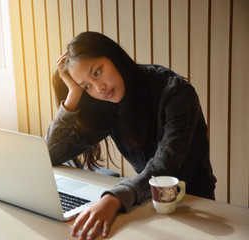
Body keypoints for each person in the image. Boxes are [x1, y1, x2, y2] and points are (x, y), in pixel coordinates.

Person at [45, 31, 216, 240]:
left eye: (97, 72)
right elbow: (51, 155)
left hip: (193, 203)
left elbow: (166, 166)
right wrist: (73, 96)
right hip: (144, 201)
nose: (99, 88)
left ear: (113, 56)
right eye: (87, 86)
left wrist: (112, 200)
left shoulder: (175, 93)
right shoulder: (106, 102)